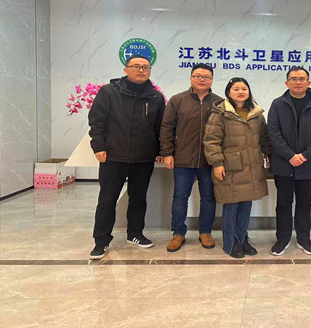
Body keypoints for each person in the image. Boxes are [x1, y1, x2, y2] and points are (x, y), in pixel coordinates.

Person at [88, 55, 166, 260]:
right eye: (136, 66)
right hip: (113, 156)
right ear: (125, 69)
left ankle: (135, 234)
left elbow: (161, 127)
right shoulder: (109, 92)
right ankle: (101, 240)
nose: (141, 70)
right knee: (107, 199)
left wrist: (160, 150)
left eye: (145, 67)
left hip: (143, 157)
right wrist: (98, 146)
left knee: (139, 198)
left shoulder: (156, 97)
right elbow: (96, 121)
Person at [204, 78, 272, 258]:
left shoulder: (256, 114)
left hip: (252, 167)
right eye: (236, 89)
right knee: (231, 205)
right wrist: (217, 163)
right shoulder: (220, 113)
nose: (241, 92)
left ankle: (242, 239)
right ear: (228, 92)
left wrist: (272, 158)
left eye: (244, 88)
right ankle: (230, 243)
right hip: (230, 167)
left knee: (246, 205)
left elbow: (264, 140)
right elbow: (211, 141)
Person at [160, 63, 223, 252]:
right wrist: (167, 153)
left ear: (212, 80)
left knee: (209, 197)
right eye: (198, 76)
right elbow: (166, 127)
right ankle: (178, 233)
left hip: (209, 160)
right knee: (180, 197)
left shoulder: (220, 103)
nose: (202, 79)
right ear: (191, 78)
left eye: (206, 77)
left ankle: (205, 231)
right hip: (183, 159)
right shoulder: (177, 100)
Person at [267, 66, 311, 256]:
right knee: (283, 204)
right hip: (283, 164)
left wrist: (304, 156)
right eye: (294, 79)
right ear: (287, 83)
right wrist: (290, 156)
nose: (298, 82)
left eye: (302, 79)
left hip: (308, 164)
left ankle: (304, 239)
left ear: (308, 83)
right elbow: (273, 133)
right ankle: (282, 239)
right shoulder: (278, 104)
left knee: (304, 204)